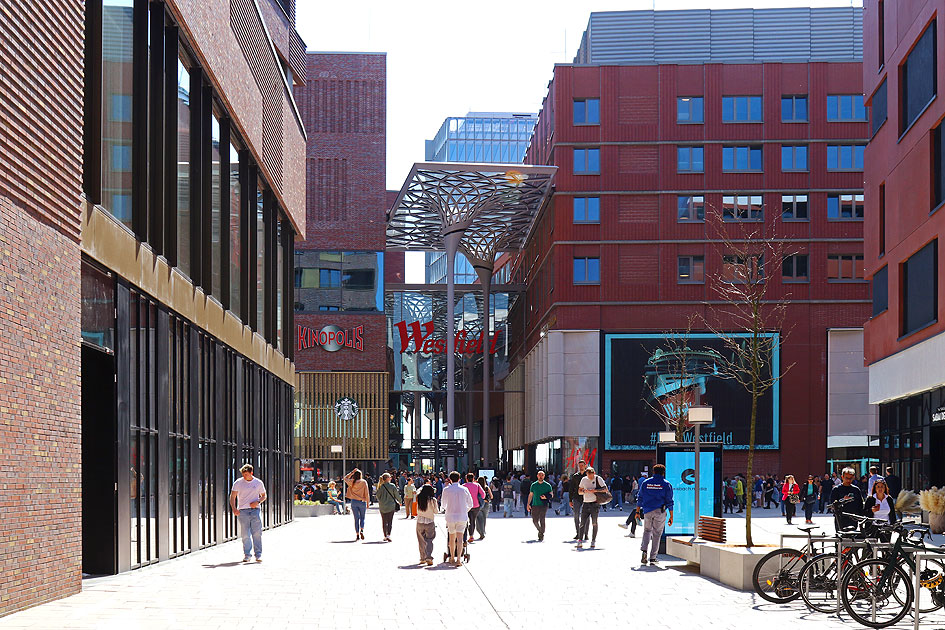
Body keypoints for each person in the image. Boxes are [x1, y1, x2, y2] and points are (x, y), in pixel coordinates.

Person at [637, 463, 673, 566]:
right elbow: (669, 501)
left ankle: (644, 551)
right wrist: (671, 516)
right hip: (660, 512)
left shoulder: (646, 483)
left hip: (647, 511)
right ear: (663, 473)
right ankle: (653, 557)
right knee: (657, 534)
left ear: (653, 472)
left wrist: (637, 512)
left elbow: (640, 498)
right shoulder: (666, 484)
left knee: (647, 531)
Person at [230, 464, 266, 563]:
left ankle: (258, 555)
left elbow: (264, 495)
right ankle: (247, 555)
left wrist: (257, 502)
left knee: (257, 533)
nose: (244, 476)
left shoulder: (258, 483)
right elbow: (232, 496)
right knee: (245, 534)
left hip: (255, 510)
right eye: (243, 474)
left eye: (246, 474)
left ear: (251, 473)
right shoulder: (238, 482)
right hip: (242, 511)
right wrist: (234, 508)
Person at [441, 471, 473, 566]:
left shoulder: (446, 490)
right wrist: (464, 510)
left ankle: (451, 558)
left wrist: (449, 508)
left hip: (450, 516)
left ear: (450, 479)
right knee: (460, 539)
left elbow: (443, 504)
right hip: (462, 516)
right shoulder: (464, 489)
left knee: (451, 538)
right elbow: (470, 504)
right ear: (459, 479)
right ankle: (459, 559)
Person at [577, 466, 605, 549]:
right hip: (586, 502)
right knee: (582, 523)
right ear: (586, 474)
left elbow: (605, 489)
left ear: (594, 473)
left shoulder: (598, 479)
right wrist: (584, 491)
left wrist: (595, 491)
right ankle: (580, 540)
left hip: (595, 503)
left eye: (592, 475)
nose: (590, 477)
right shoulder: (584, 480)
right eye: (589, 476)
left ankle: (593, 540)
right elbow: (579, 491)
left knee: (594, 522)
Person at [829, 466, 865, 531]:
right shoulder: (836, 489)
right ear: (842, 477)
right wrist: (843, 500)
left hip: (853, 518)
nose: (848, 480)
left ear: (853, 478)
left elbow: (860, 505)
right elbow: (832, 504)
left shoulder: (856, 490)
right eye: (846, 478)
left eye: (850, 478)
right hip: (840, 518)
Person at [527, 470, 554, 541]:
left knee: (542, 518)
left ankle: (541, 533)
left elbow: (551, 494)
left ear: (544, 476)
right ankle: (540, 531)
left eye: (542, 475)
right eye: (539, 475)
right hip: (535, 504)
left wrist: (546, 497)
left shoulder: (548, 485)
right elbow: (531, 495)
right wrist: (528, 504)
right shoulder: (533, 485)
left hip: (544, 505)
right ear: (537, 476)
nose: (541, 476)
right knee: (535, 520)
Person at [344, 468, 370, 540]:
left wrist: (351, 472)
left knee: (356, 518)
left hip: (354, 501)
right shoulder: (364, 482)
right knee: (362, 517)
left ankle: (357, 534)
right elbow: (367, 493)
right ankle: (362, 529)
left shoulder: (352, 482)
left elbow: (345, 478)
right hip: (362, 501)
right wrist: (368, 503)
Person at [415, 484, 438, 566]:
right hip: (430, 522)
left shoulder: (419, 498)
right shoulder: (433, 500)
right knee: (429, 540)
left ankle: (422, 558)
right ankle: (429, 557)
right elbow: (436, 511)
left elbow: (417, 491)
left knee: (421, 541)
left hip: (420, 521)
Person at [377, 472, 401, 542]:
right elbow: (397, 495)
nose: (391, 478)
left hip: (382, 506)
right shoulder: (392, 486)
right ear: (387, 478)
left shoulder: (381, 486)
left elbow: (378, 496)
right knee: (390, 521)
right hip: (391, 506)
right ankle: (388, 535)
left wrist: (381, 501)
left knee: (384, 521)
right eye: (390, 477)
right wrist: (400, 501)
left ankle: (385, 535)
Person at [568, 460, 589, 540]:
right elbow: (571, 488)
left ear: (585, 466)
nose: (581, 467)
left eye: (582, 465)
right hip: (577, 498)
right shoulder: (575, 476)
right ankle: (578, 533)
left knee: (586, 516)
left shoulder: (588, 475)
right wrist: (570, 500)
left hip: (586, 498)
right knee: (576, 515)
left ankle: (586, 534)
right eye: (579, 465)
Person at [462, 473, 486, 542]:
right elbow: (483, 495)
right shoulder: (477, 485)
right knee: (472, 521)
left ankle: (464, 536)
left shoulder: (463, 486)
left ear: (466, 479)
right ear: (473, 478)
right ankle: (471, 535)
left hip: (466, 506)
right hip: (476, 505)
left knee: (466, 520)